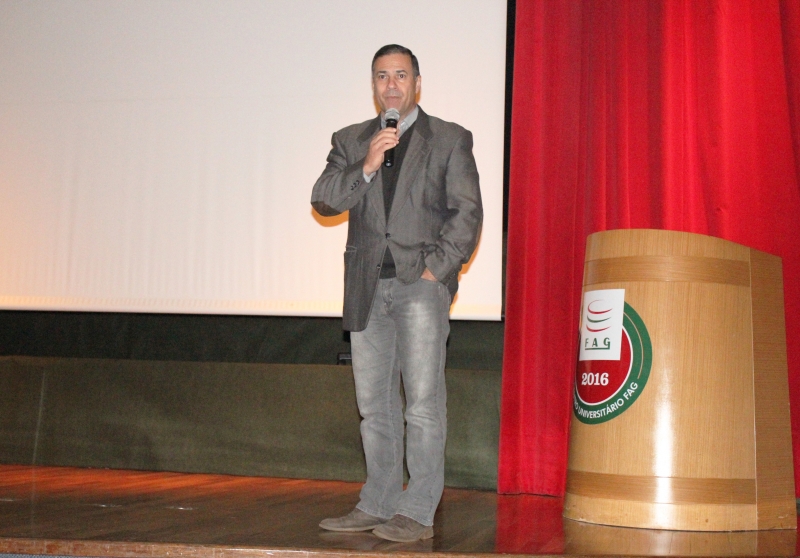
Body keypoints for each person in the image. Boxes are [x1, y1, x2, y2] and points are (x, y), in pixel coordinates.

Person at [311, 44, 482, 543]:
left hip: (419, 287)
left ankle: (418, 511)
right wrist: (366, 164)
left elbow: (467, 212)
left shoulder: (448, 138)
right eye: (382, 76)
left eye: (401, 76)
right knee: (374, 407)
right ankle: (378, 501)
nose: (391, 85)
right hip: (366, 288)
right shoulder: (351, 140)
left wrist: (435, 272)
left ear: (417, 83)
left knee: (422, 405)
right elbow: (324, 198)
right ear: (373, 86)